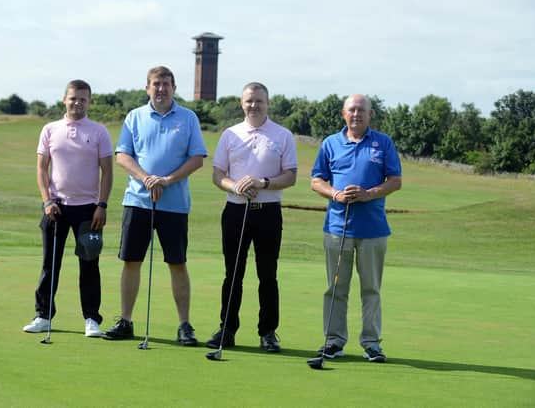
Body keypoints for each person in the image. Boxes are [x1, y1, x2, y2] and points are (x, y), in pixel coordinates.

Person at [103, 66, 207, 346]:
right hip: (137, 202)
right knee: (132, 261)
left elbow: (197, 157)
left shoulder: (188, 118)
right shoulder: (135, 117)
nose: (161, 89)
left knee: (177, 263)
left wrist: (167, 179)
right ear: (147, 88)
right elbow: (122, 156)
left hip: (174, 205)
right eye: (156, 84)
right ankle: (125, 320)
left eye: (166, 84)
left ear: (174, 88)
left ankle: (185, 325)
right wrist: (147, 178)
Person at [206, 82, 297, 353]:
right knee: (233, 273)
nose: (254, 105)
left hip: (268, 213)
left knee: (267, 274)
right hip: (235, 211)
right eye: (249, 101)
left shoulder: (282, 135)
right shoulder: (230, 134)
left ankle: (268, 332)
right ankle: (227, 329)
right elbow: (217, 174)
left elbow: (290, 176)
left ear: (268, 103)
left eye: (259, 101)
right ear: (241, 103)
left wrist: (263, 182)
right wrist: (236, 186)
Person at [310, 94, 402, 362]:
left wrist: (368, 193)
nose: (356, 114)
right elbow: (316, 181)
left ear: (370, 114)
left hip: (373, 230)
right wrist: (336, 194)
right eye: (352, 110)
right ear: (343, 114)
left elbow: (395, 180)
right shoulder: (330, 143)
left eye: (362, 110)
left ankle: (372, 343)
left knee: (371, 289)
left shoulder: (382, 143)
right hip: (337, 228)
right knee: (336, 288)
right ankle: (333, 341)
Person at [23, 79, 113, 337]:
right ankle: (43, 315)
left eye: (83, 99)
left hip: (88, 210)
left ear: (89, 102)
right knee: (50, 264)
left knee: (89, 264)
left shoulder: (99, 132)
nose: (77, 103)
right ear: (64, 99)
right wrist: (47, 200)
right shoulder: (50, 129)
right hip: (56, 208)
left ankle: (91, 319)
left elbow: (107, 171)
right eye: (73, 98)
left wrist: (102, 205)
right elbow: (41, 168)